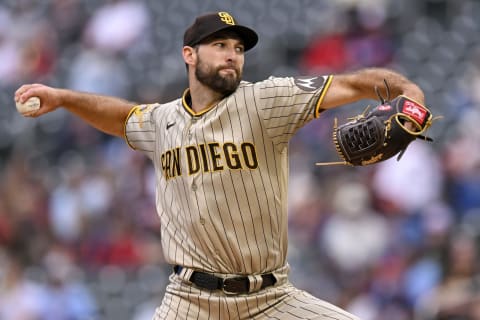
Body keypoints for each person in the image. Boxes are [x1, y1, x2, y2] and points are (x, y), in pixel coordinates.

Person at [15, 11, 425, 320]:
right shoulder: (163, 121)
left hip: (272, 299)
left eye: (239, 49)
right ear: (189, 55)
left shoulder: (266, 100)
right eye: (221, 46)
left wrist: (411, 93)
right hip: (189, 301)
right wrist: (65, 98)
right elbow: (122, 118)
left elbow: (352, 84)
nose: (233, 56)